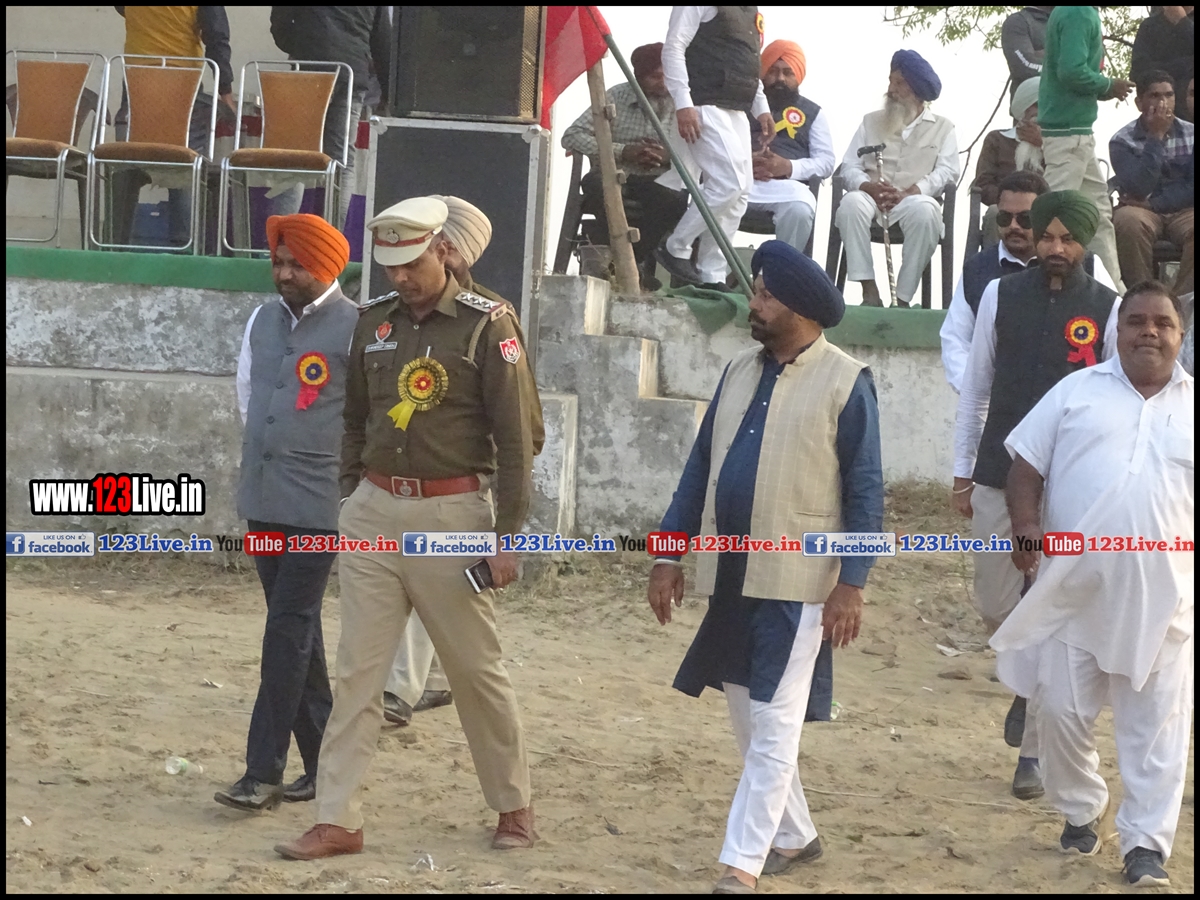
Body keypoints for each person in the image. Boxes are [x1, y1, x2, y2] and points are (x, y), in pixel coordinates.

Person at [274, 196, 540, 860]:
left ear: (442, 251)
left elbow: (519, 439)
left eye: (412, 264)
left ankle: (512, 805)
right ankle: (337, 817)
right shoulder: (374, 322)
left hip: (452, 516)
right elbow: (355, 419)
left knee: (475, 671)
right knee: (358, 673)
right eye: (390, 267)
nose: (401, 278)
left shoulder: (488, 324)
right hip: (374, 511)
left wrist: (508, 538)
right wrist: (351, 494)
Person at [648, 241, 883, 894]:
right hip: (729, 571)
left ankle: (741, 865)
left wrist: (852, 584)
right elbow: (699, 468)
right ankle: (795, 835)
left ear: (800, 311)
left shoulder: (847, 381)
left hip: (798, 583)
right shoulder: (737, 371)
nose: (752, 304)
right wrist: (667, 554)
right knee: (749, 720)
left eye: (765, 296)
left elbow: (866, 491)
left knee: (775, 724)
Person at [993, 281, 1193, 887]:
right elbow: (1025, 467)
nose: (1149, 332)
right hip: (1072, 593)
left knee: (1156, 731)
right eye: (1137, 321)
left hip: (1166, 601)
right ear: (1116, 330)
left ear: (1181, 335)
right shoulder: (1075, 392)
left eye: (1162, 323)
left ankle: (1145, 847)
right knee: (1059, 713)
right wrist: (1025, 524)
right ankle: (1083, 807)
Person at [952, 190, 1121, 802]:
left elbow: (1113, 401)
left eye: (1066, 239)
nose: (1054, 248)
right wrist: (961, 471)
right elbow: (976, 389)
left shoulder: (1109, 310)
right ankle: (1025, 685)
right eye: (1047, 237)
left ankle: (1032, 750)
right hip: (999, 473)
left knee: (1049, 610)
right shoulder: (999, 295)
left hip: (1071, 484)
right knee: (998, 602)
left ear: (1084, 242)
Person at [381, 195, 545, 729]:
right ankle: (426, 681)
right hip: (409, 479)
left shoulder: (490, 318)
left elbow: (522, 421)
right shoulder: (396, 316)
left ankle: (400, 689)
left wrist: (506, 518)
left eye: (436, 245)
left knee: (441, 584)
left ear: (452, 251)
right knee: (429, 585)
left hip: (461, 482)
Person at [215, 214, 357, 812]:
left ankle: (263, 771)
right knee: (297, 630)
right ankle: (326, 764)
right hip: (263, 498)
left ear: (326, 267)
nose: (283, 274)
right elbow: (248, 395)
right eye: (278, 263)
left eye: (296, 265)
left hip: (318, 505)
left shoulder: (357, 327)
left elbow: (364, 418)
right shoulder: (260, 320)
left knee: (286, 630)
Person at [654, 6, 773, 287]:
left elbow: (747, 61)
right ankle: (676, 246)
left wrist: (762, 107)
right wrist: (683, 103)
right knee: (728, 184)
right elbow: (674, 47)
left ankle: (712, 273)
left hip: (736, 108)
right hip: (703, 103)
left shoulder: (750, 10)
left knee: (740, 193)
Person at [836, 50, 959, 307]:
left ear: (917, 90)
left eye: (899, 83)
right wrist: (867, 186)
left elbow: (947, 171)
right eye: (890, 81)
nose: (891, 90)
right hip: (871, 199)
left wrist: (914, 190)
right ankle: (869, 290)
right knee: (850, 204)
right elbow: (849, 166)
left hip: (912, 201)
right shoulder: (870, 121)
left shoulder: (943, 128)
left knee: (927, 212)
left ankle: (901, 299)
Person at [560, 42, 688, 289]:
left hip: (660, 179)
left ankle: (630, 264)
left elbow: (700, 149)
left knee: (675, 199)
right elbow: (572, 135)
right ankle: (621, 267)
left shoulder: (683, 102)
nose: (663, 83)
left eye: (668, 76)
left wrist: (668, 157)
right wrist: (624, 152)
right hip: (617, 174)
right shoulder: (616, 96)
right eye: (655, 77)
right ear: (638, 77)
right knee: (595, 186)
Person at [111, 5, 234, 247]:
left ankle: (116, 242)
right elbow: (216, 35)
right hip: (182, 80)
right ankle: (184, 245)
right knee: (184, 163)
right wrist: (226, 92)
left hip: (138, 78)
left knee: (129, 165)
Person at [1038, 5, 1135, 292]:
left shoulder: (1071, 10)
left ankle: (1114, 293)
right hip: (1069, 133)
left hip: (1074, 131)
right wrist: (1107, 85)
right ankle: (1033, 286)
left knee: (1098, 216)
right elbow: (1071, 71)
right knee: (1051, 215)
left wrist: (1103, 88)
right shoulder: (1078, 12)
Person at [941, 170, 1049, 393]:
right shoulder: (977, 269)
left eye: (1025, 219)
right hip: (994, 400)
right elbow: (956, 340)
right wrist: (977, 393)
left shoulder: (1084, 266)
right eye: (1005, 218)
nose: (1013, 226)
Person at [745, 40, 835, 257]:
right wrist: (746, 162)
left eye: (787, 72)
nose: (780, 79)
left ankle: (780, 274)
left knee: (799, 209)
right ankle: (711, 272)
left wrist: (788, 167)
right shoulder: (741, 104)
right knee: (708, 197)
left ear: (798, 76)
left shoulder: (813, 113)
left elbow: (826, 163)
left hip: (786, 188)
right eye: (773, 71)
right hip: (740, 181)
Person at [1110, 70, 1195, 296]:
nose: (1163, 102)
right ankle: (1143, 296)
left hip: (1182, 210)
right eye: (1155, 96)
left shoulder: (1192, 134)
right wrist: (1155, 137)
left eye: (1168, 95)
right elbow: (1138, 187)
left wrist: (1154, 204)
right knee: (1127, 222)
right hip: (1141, 211)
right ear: (1139, 103)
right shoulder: (1122, 140)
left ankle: (1181, 303)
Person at [973, 77, 1044, 247]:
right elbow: (983, 185)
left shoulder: (1058, 146)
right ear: (1024, 108)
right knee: (994, 213)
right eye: (1037, 105)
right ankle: (993, 264)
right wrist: (1013, 201)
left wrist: (1044, 145)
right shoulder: (997, 139)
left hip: (1045, 210)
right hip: (1005, 209)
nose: (1044, 112)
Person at [1130, 6, 1195, 121]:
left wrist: (1183, 23)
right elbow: (1138, 72)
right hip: (1159, 115)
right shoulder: (1149, 26)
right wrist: (1188, 64)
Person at [1000, 6, 1051, 99]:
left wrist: (1043, 55)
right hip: (1035, 103)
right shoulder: (1018, 22)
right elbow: (1025, 68)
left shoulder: (1070, 23)